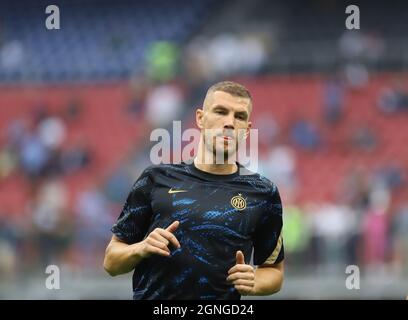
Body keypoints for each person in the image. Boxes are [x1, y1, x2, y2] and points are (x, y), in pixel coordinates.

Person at [103, 81, 285, 299]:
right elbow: (111, 262)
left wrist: (255, 281)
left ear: (246, 130)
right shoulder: (155, 179)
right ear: (200, 118)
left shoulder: (263, 193)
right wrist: (140, 248)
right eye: (220, 111)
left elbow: (274, 271)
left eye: (239, 116)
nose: (229, 122)